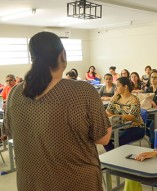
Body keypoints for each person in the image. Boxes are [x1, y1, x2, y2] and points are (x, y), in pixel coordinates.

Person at [3, 32, 112, 191]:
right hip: (75, 182)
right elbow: (103, 138)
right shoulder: (82, 91)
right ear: (62, 55)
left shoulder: (14, 94)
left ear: (33, 58)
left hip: (31, 182)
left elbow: (11, 133)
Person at [104, 77, 145, 151]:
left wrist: (114, 116)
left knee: (119, 141)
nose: (115, 88)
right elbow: (108, 112)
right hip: (118, 127)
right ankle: (113, 155)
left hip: (135, 127)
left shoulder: (134, 99)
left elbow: (132, 117)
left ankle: (115, 155)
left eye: (118, 86)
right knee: (104, 137)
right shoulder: (116, 97)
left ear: (125, 87)